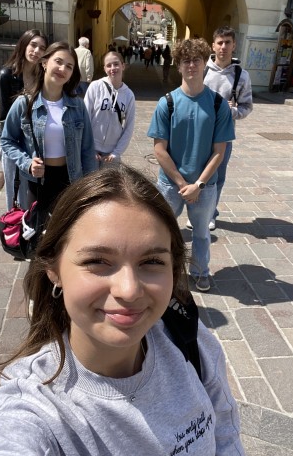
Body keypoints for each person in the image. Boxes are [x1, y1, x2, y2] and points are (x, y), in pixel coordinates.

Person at [0, 165, 249, 456]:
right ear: (54, 269)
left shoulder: (186, 338)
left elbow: (224, 428)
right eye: (97, 262)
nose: (129, 289)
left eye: (151, 262)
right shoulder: (31, 413)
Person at [147, 38, 234, 292]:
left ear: (205, 63)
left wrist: (199, 184)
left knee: (201, 233)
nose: (192, 65)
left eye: (197, 60)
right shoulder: (167, 103)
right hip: (171, 184)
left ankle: (200, 271)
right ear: (178, 66)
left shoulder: (217, 104)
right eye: (186, 61)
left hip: (205, 185)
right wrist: (182, 183)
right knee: (162, 231)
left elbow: (219, 152)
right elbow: (159, 149)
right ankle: (164, 273)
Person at [0, 41, 97, 220]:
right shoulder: (24, 103)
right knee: (38, 232)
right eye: (58, 61)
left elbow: (88, 150)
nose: (62, 69)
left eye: (69, 66)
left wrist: (91, 188)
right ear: (45, 62)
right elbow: (7, 140)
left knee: (66, 232)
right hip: (38, 182)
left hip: (71, 180)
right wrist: (27, 163)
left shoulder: (78, 106)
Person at [203, 27, 253, 230]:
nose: (223, 47)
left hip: (223, 137)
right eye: (220, 42)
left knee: (217, 177)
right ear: (213, 46)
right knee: (197, 174)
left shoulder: (241, 76)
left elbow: (246, 107)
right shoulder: (203, 70)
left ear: (234, 45)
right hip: (200, 134)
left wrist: (231, 112)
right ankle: (197, 212)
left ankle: (209, 214)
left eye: (227, 43)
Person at [0, 29, 48, 209]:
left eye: (42, 48)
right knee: (14, 189)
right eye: (33, 45)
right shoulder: (6, 75)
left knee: (31, 192)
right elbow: (5, 118)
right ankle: (14, 221)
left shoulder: (42, 76)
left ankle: (30, 221)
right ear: (24, 45)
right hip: (13, 141)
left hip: (33, 142)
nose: (37, 51)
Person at [84, 50, 136, 168]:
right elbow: (85, 118)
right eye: (108, 65)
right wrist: (89, 147)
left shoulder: (129, 95)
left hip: (111, 153)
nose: (113, 68)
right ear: (104, 69)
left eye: (116, 64)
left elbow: (129, 127)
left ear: (123, 66)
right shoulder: (95, 86)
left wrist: (116, 152)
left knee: (110, 181)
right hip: (92, 150)